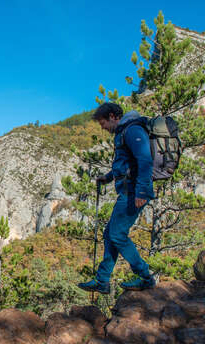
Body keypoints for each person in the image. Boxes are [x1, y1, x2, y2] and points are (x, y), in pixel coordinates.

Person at [78, 102, 156, 293]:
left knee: (117, 235)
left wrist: (142, 191)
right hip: (127, 190)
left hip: (133, 192)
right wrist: (108, 177)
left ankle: (145, 276)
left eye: (103, 122)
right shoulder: (123, 133)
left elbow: (145, 160)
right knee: (109, 234)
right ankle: (102, 280)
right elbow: (124, 164)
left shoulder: (132, 130)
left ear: (113, 116)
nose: (102, 127)